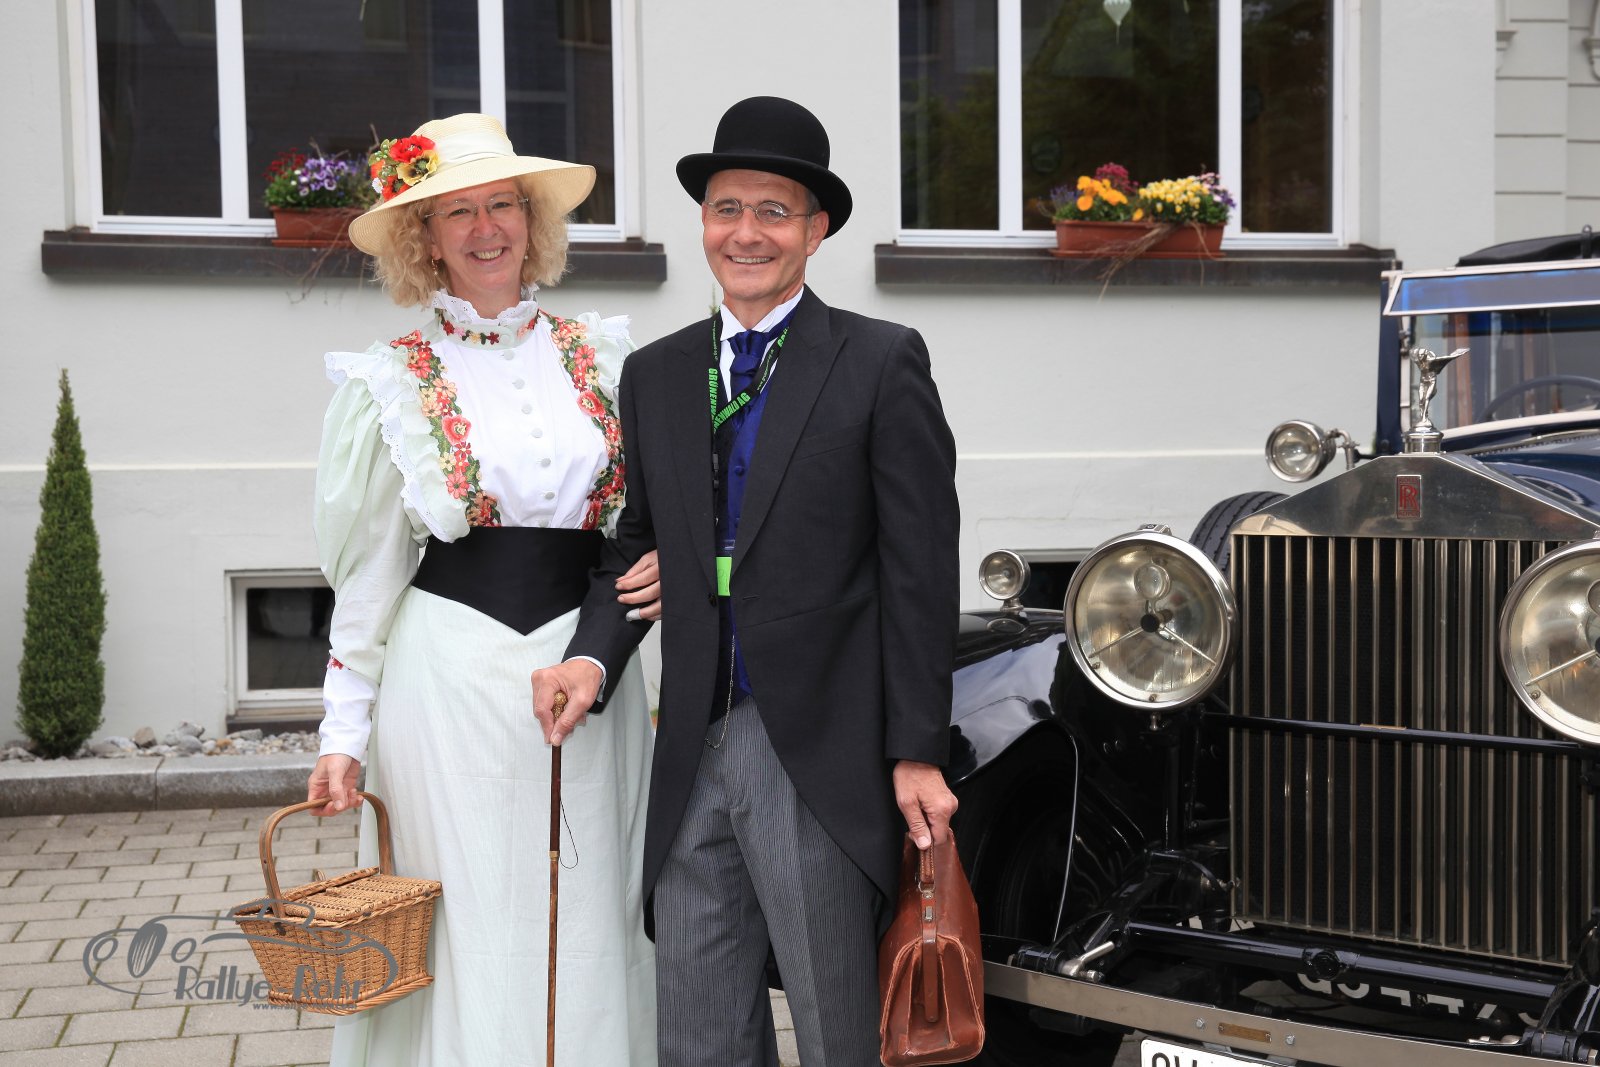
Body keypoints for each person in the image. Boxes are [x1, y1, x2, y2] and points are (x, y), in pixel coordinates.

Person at [531, 96, 962, 1067]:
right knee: (697, 1030)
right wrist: (590, 658)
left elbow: (920, 571)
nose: (747, 232)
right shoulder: (655, 374)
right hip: (690, 739)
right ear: (703, 223)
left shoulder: (880, 360)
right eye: (727, 208)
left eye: (774, 211)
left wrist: (916, 751)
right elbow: (637, 546)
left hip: (815, 749)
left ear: (816, 229)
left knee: (837, 1028)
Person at [305, 113, 657, 1067]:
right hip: (448, 680)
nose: (485, 227)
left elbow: (646, 525)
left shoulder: (608, 358)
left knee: (592, 901)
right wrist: (342, 733)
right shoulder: (390, 381)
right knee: (465, 913)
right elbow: (371, 573)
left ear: (532, 221)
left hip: (590, 672)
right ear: (424, 236)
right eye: (457, 211)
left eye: (503, 204)